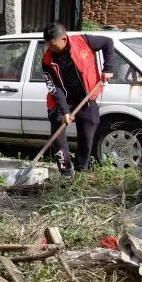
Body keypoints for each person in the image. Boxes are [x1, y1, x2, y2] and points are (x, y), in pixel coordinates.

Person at [41, 23, 115, 176]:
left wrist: (108, 69)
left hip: (86, 99)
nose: (50, 47)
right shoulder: (47, 60)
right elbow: (55, 87)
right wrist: (65, 111)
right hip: (60, 102)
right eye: (47, 44)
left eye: (52, 44)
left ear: (63, 39)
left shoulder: (83, 41)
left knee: (87, 138)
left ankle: (82, 171)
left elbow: (108, 43)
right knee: (59, 140)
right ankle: (66, 172)